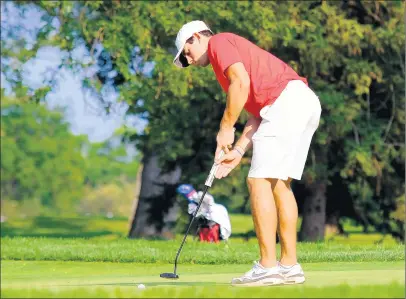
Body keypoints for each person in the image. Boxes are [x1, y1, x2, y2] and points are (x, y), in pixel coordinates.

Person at [173, 20, 322, 287]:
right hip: (303, 102)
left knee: (258, 181)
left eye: (186, 51)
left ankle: (267, 268)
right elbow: (257, 114)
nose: (189, 60)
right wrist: (239, 150)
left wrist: (226, 128)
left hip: (286, 103)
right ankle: (289, 266)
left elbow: (240, 84)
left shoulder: (219, 43)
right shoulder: (227, 58)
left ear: (196, 37)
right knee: (279, 184)